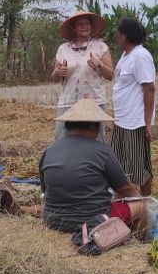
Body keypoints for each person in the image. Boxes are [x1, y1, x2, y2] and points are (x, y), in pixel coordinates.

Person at [39, 99, 145, 234]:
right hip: (92, 222)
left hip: (53, 221)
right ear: (92, 125)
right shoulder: (102, 151)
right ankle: (137, 242)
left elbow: (45, 191)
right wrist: (137, 197)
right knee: (141, 205)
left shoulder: (50, 150)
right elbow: (126, 190)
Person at [110, 18, 156, 195]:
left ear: (124, 35)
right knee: (120, 164)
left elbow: (149, 89)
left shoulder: (141, 56)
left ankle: (145, 202)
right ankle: (125, 200)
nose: (115, 35)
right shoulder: (126, 55)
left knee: (139, 167)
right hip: (122, 120)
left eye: (117, 32)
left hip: (135, 122)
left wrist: (147, 122)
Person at [52, 11, 113, 141]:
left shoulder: (100, 47)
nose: (84, 26)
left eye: (87, 23)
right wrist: (58, 73)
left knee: (95, 142)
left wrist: (99, 64)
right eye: (80, 24)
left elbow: (110, 75)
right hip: (69, 102)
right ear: (73, 28)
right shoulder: (64, 49)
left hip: (94, 102)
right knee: (63, 141)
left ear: (91, 26)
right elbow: (55, 76)